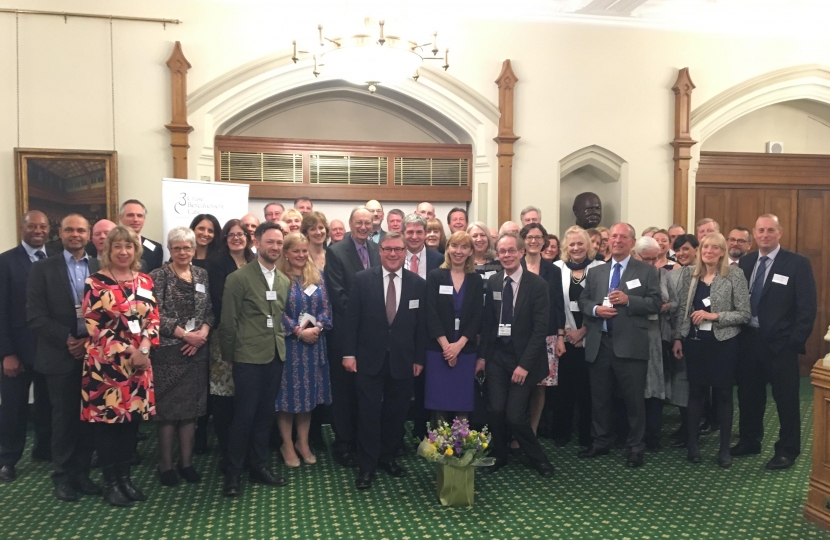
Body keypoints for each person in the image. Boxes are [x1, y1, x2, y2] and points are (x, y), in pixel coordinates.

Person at [82, 225, 159, 506]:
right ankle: (110, 483)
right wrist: (131, 350)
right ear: (107, 250)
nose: (124, 251)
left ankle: (125, 479)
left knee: (130, 425)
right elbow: (95, 326)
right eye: (118, 246)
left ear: (136, 249)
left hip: (139, 366)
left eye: (129, 246)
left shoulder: (146, 281)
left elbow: (153, 320)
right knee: (108, 427)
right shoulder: (96, 283)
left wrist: (145, 348)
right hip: (107, 368)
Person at [342, 232, 426, 490]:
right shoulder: (362, 280)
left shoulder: (417, 284)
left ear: (404, 252)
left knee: (396, 414)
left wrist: (419, 358)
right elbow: (351, 320)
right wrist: (348, 354)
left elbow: (421, 327)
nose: (392, 254)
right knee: (368, 414)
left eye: (398, 249)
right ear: (379, 252)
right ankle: (366, 467)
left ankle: (388, 458)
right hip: (368, 359)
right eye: (387, 249)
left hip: (403, 361)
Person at [732, 214, 817, 470]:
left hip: (781, 345)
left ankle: (787, 450)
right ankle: (750, 440)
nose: (765, 235)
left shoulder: (797, 263)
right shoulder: (745, 263)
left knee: (786, 400)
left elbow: (807, 308)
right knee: (749, 396)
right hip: (748, 341)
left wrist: (794, 342)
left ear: (780, 233)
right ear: (754, 235)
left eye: (770, 230)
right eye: (761, 230)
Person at [26, 214, 99, 501]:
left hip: (92, 354)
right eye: (69, 229)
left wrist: (88, 341)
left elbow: (107, 311)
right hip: (60, 355)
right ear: (60, 232)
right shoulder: (43, 269)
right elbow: (35, 316)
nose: (75, 235)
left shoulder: (98, 267)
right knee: (65, 418)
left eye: (81, 230)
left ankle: (82, 473)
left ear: (89, 234)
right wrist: (69, 340)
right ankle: (62, 476)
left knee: (88, 418)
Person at [577, 223, 662, 468]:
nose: (617, 240)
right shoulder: (596, 272)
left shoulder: (646, 271)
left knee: (634, 401)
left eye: (623, 237)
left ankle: (635, 447)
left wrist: (629, 300)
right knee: (600, 398)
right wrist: (595, 309)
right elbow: (584, 300)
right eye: (613, 236)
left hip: (631, 345)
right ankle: (600, 441)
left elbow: (656, 303)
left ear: (632, 242)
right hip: (599, 344)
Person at [221, 222, 290, 496]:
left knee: (264, 416)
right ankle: (233, 472)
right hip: (247, 358)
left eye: (279, 243)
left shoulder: (284, 280)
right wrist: (231, 359)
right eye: (270, 242)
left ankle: (258, 465)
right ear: (257, 243)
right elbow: (228, 323)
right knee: (244, 416)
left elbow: (279, 317)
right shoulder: (238, 278)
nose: (275, 247)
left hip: (275, 355)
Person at [672, 232, 750, 468]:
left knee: (723, 395)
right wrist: (677, 337)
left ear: (722, 251)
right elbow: (682, 311)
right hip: (695, 343)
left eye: (715, 248)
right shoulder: (688, 274)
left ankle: (724, 449)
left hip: (724, 342)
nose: (709, 251)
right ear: (700, 250)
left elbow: (744, 314)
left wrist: (714, 316)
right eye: (705, 247)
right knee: (696, 394)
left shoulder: (734, 274)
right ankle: (693, 446)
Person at [478, 233, 553, 478]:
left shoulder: (537, 284)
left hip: (525, 359)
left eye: (511, 251)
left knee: (516, 416)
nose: (507, 255)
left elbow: (540, 329)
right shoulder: (494, 283)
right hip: (498, 356)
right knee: (496, 410)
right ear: (497, 255)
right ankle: (500, 455)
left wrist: (524, 366)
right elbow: (488, 325)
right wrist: (482, 358)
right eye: (502, 251)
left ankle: (538, 458)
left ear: (521, 253)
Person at [150, 227, 213, 486]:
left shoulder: (202, 274)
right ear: (170, 250)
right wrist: (185, 336)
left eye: (187, 247)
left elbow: (209, 310)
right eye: (177, 248)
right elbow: (154, 314)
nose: (183, 252)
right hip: (168, 351)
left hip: (197, 350)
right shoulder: (158, 276)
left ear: (194, 249)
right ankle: (165, 465)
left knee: (190, 412)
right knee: (168, 413)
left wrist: (203, 335)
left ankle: (186, 463)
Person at [325, 207, 380, 467]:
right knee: (344, 392)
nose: (363, 227)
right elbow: (338, 296)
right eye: (358, 222)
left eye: (367, 223)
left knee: (367, 392)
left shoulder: (376, 250)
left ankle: (363, 441)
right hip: (346, 335)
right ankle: (343, 443)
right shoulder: (335, 251)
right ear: (350, 223)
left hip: (372, 339)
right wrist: (369, 318)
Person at [0, 210, 52, 483]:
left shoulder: (55, 259)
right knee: (13, 408)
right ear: (22, 228)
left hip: (51, 348)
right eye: (32, 226)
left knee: (47, 404)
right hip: (17, 350)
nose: (38, 231)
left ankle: (44, 449)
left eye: (43, 226)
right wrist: (6, 353)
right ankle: (7, 459)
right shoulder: (5, 262)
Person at [275, 233, 332, 468]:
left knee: (307, 399)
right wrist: (298, 331)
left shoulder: (316, 275)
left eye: (303, 250)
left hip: (313, 347)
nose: (300, 255)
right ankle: (287, 444)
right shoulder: (278, 278)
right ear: (285, 253)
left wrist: (317, 327)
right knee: (287, 400)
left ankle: (303, 443)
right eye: (295, 251)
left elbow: (327, 308)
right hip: (289, 347)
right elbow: (275, 311)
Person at [205, 219, 255, 472]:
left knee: (246, 396)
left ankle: (246, 451)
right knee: (225, 396)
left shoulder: (255, 262)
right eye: (231, 234)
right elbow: (218, 300)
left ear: (248, 237)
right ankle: (227, 451)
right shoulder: (217, 264)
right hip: (226, 335)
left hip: (253, 337)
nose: (237, 238)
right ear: (225, 239)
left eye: (241, 234)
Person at [551, 226, 604, 448]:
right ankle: (561, 433)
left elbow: (604, 302)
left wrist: (584, 331)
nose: (576, 248)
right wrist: (565, 332)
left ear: (589, 245)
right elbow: (554, 304)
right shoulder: (556, 268)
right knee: (563, 388)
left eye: (580, 243)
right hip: (564, 338)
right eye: (571, 244)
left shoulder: (601, 268)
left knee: (589, 389)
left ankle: (586, 435)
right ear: (565, 247)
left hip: (592, 336)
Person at [425, 231, 483, 422]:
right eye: (455, 246)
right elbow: (431, 314)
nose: (459, 251)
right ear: (448, 248)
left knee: (462, 402)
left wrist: (458, 346)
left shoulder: (475, 279)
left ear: (470, 252)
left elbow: (477, 317)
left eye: (464, 247)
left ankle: (462, 447)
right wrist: (446, 346)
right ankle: (440, 449)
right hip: (438, 349)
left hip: (465, 350)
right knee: (439, 402)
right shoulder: (435, 276)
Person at [519, 223, 566, 443]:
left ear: (544, 240)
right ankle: (518, 433)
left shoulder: (553, 270)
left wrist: (560, 337)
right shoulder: (514, 265)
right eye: (529, 237)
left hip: (546, 336)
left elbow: (558, 305)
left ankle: (532, 433)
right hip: (519, 336)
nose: (534, 241)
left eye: (538, 237)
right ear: (523, 240)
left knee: (540, 387)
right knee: (519, 386)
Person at [633, 237, 673, 451]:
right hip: (632, 334)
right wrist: (651, 304)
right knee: (634, 386)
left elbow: (673, 301)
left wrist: (663, 306)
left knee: (654, 385)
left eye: (654, 259)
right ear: (635, 255)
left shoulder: (662, 274)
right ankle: (632, 433)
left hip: (655, 335)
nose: (650, 263)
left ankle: (653, 433)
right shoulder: (627, 275)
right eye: (646, 259)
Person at [666, 234, 699, 448]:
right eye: (678, 250)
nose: (681, 254)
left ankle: (694, 429)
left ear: (697, 249)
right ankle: (685, 427)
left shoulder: (705, 274)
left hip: (699, 336)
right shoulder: (672, 275)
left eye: (686, 249)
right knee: (680, 383)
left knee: (696, 385)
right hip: (677, 335)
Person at [119, 200, 163, 272]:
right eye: (130, 215)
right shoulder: (111, 245)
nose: (135, 219)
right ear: (121, 218)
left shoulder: (156, 248)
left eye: (139, 216)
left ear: (144, 219)